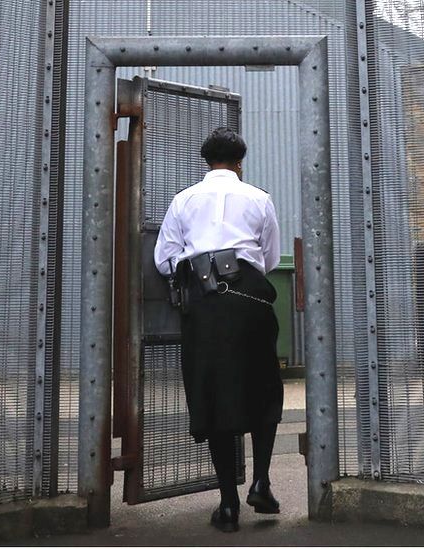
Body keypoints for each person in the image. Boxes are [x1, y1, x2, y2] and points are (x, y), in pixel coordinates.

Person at [154, 127, 283, 533]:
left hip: (206, 304)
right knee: (263, 386)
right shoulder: (259, 198)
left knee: (214, 394)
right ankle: (261, 480)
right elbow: (271, 259)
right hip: (251, 302)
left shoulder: (183, 200)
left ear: (206, 162)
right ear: (240, 162)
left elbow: (164, 258)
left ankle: (228, 506)